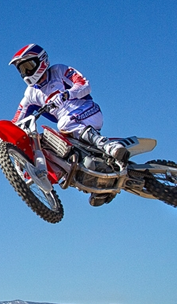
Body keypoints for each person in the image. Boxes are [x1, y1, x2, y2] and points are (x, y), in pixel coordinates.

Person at [9, 43, 127, 206]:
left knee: (64, 124)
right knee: (54, 150)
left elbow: (84, 84)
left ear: (41, 61)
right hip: (71, 128)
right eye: (22, 70)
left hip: (86, 111)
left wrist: (67, 94)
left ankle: (109, 146)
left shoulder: (58, 71)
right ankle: (94, 186)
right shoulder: (31, 93)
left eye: (28, 66)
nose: (26, 73)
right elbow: (18, 118)